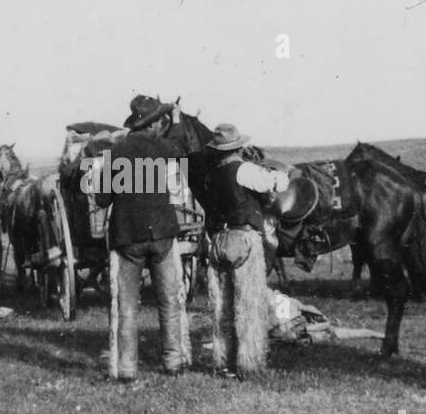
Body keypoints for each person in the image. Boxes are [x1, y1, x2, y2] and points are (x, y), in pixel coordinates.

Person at [92, 96, 188, 381]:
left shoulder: (116, 152)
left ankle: (127, 368)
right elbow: (182, 151)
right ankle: (173, 362)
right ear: (155, 123)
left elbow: (102, 199)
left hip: (127, 237)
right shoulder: (164, 148)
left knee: (127, 307)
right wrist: (179, 122)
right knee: (169, 301)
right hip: (162, 234)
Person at [199, 124, 287, 378]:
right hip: (244, 239)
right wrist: (280, 173)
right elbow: (277, 184)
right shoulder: (245, 170)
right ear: (238, 147)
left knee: (222, 307)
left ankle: (223, 362)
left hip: (218, 241)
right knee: (248, 304)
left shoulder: (211, 176)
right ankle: (248, 364)